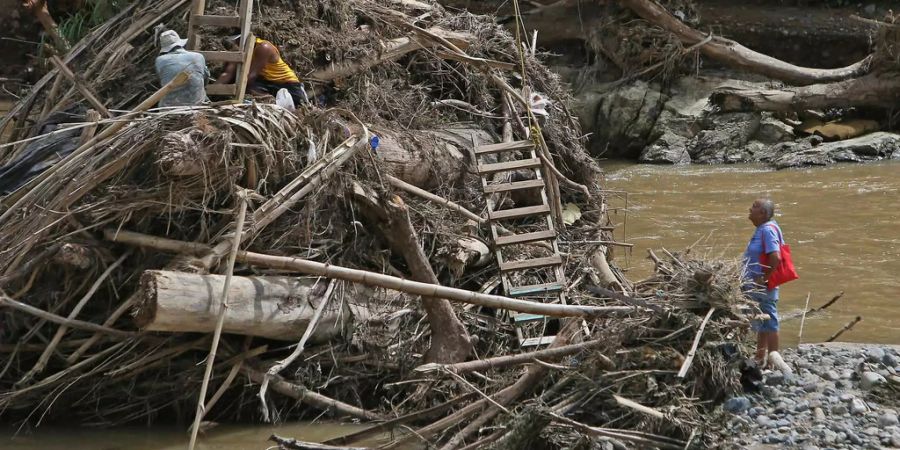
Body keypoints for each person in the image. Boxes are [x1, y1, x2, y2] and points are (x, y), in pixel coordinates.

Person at [743, 198, 785, 368]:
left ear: (763, 213)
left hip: (763, 286)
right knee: (762, 320)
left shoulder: (767, 230)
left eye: (754, 207)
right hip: (757, 285)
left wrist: (764, 277)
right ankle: (760, 356)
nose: (750, 209)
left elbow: (775, 257)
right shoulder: (763, 228)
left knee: (770, 319)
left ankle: (772, 360)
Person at [216, 35, 307, 106]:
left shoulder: (263, 47)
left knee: (246, 85)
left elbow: (250, 77)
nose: (235, 45)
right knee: (238, 81)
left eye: (236, 42)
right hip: (267, 82)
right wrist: (213, 89)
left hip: (287, 85)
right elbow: (227, 73)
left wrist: (235, 91)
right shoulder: (239, 50)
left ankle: (272, 102)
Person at [155, 30, 209, 107]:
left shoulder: (160, 60)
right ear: (180, 44)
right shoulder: (198, 56)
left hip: (169, 108)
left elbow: (162, 80)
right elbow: (205, 78)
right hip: (197, 105)